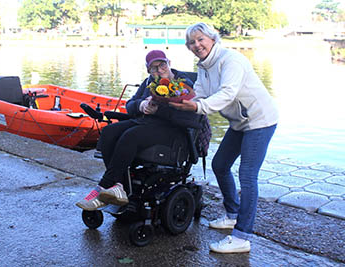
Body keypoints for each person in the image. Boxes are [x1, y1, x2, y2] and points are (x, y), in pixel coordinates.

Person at [169, 23, 279, 254]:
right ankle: (232, 214)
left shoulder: (231, 61)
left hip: (260, 120)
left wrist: (198, 107)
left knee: (248, 175)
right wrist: (179, 99)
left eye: (200, 39)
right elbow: (199, 90)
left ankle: (242, 237)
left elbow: (227, 93)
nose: (196, 45)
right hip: (240, 122)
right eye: (191, 42)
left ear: (212, 38)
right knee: (220, 165)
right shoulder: (204, 66)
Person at [76, 50, 203, 211]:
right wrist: (141, 105)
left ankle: (103, 186)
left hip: (172, 130)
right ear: (148, 70)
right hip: (145, 123)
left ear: (169, 63)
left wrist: (159, 110)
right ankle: (119, 185)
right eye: (153, 68)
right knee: (109, 132)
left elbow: (189, 118)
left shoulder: (184, 84)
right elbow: (130, 105)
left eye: (162, 65)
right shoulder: (149, 82)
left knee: (131, 136)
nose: (159, 70)